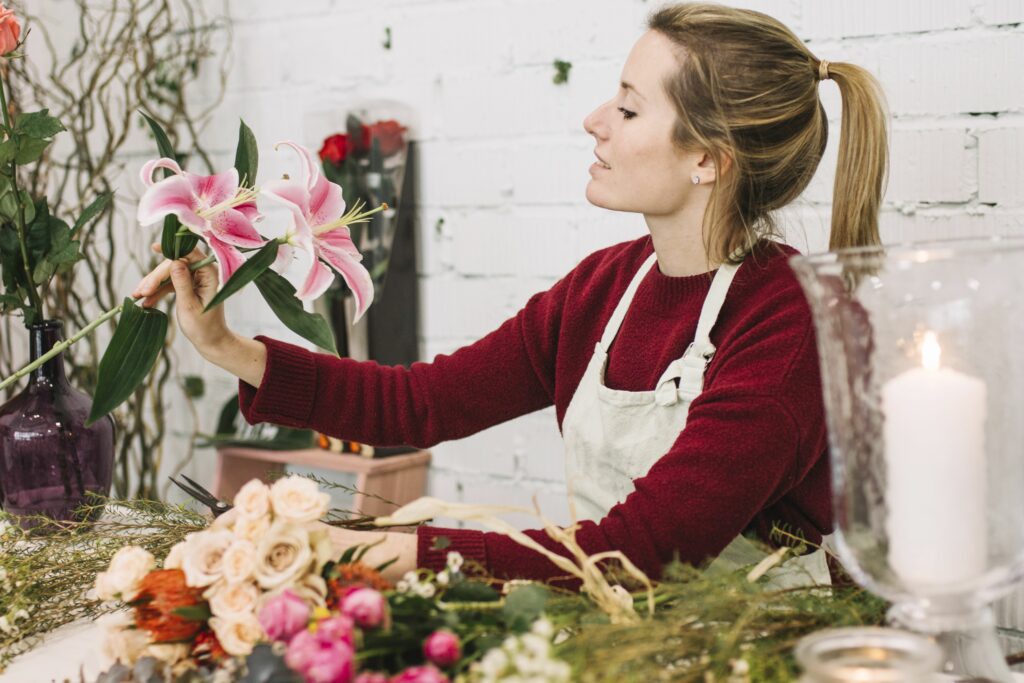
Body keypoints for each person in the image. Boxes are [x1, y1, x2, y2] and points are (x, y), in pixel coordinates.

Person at [133, 3, 887, 585]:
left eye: (628, 108)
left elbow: (640, 552)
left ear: (707, 160)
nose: (595, 120)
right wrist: (226, 347)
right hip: (616, 630)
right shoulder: (606, 287)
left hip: (750, 652)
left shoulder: (791, 323)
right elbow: (420, 403)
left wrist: (374, 549)